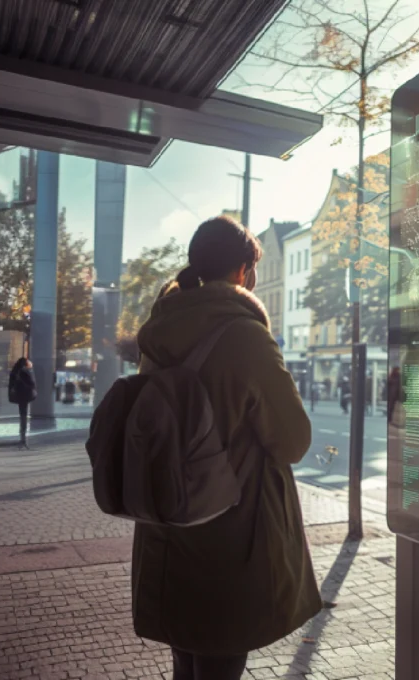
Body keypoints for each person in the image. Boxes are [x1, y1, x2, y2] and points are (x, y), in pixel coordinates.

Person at [133, 216, 319, 680]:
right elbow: (293, 440)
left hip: (166, 521)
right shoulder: (245, 335)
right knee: (221, 659)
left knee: (185, 660)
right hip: (229, 531)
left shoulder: (160, 331)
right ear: (242, 272)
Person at [8, 358, 37, 449]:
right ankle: (23, 439)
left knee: (22, 416)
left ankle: (22, 438)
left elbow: (11, 385)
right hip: (25, 396)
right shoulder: (25, 371)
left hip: (19, 396)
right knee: (24, 417)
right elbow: (32, 384)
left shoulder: (14, 371)